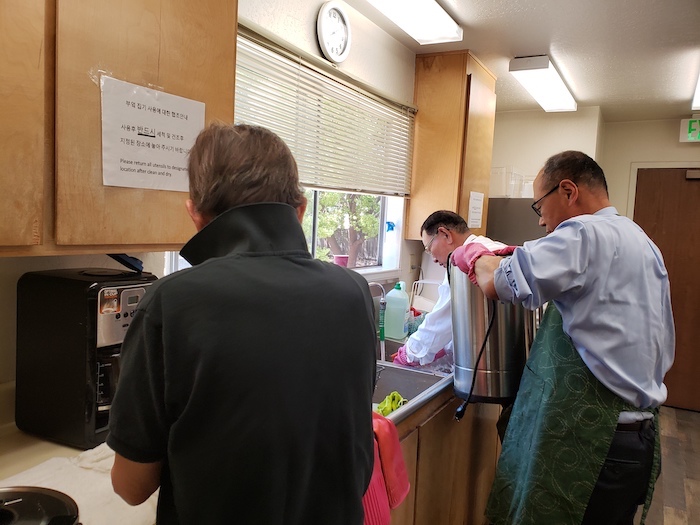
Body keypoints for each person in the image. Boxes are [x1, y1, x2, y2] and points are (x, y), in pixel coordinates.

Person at [107, 123, 377, 524]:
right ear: (300, 210)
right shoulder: (355, 291)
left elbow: (132, 486)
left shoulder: (172, 302)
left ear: (195, 214)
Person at [451, 150, 675, 525]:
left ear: (568, 191)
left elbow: (497, 282)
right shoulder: (640, 240)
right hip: (637, 439)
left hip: (593, 443)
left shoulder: (583, 233)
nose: (541, 221)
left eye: (540, 206)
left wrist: (475, 252)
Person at [392, 210, 506, 366]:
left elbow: (437, 325)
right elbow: (459, 323)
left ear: (445, 234)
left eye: (429, 249)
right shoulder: (494, 247)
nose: (433, 259)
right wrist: (442, 348)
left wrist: (407, 355)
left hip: (489, 362)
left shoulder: (464, 262)